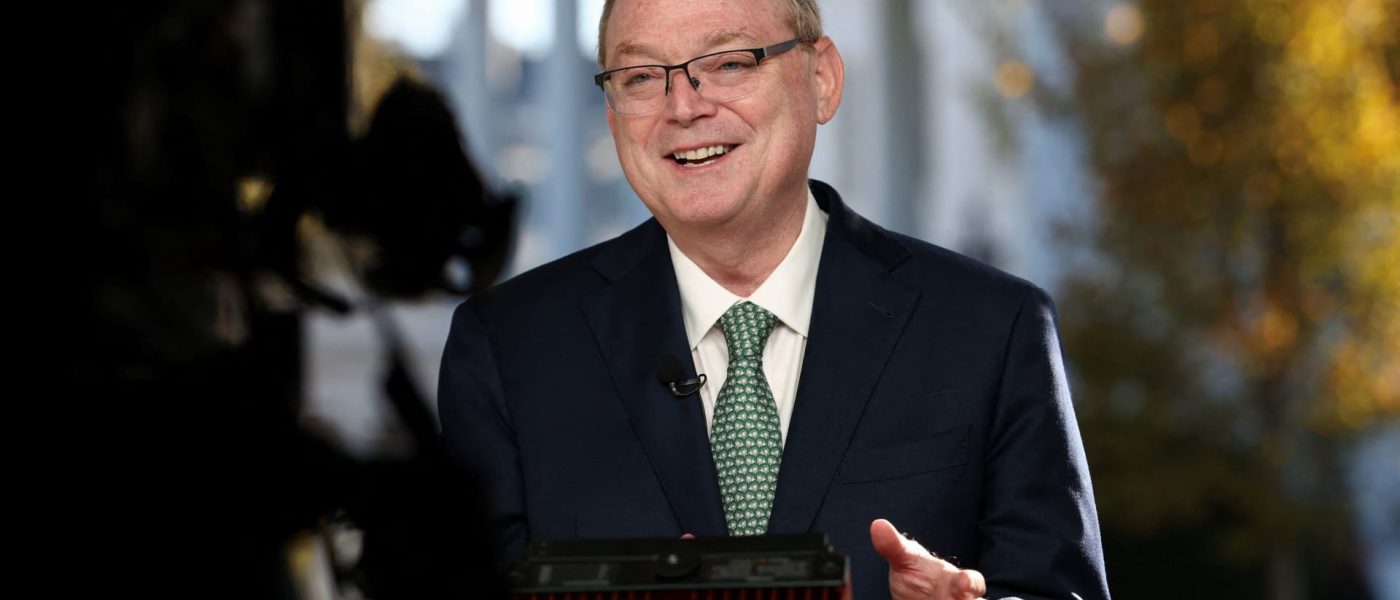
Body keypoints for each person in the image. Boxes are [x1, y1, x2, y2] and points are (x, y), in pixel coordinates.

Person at [438, 1, 1110, 598]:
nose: (684, 106)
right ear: (611, 110)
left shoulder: (991, 328)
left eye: (729, 63)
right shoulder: (509, 350)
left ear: (822, 79)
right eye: (641, 77)